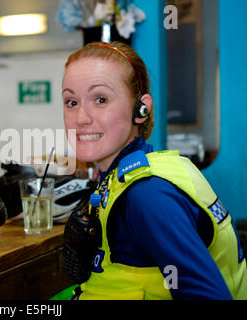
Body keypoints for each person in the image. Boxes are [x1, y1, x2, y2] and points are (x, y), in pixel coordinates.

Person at [58, 41, 247, 300]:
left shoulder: (147, 195)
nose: (81, 118)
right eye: (71, 102)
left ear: (141, 109)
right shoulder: (127, 175)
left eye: (100, 99)